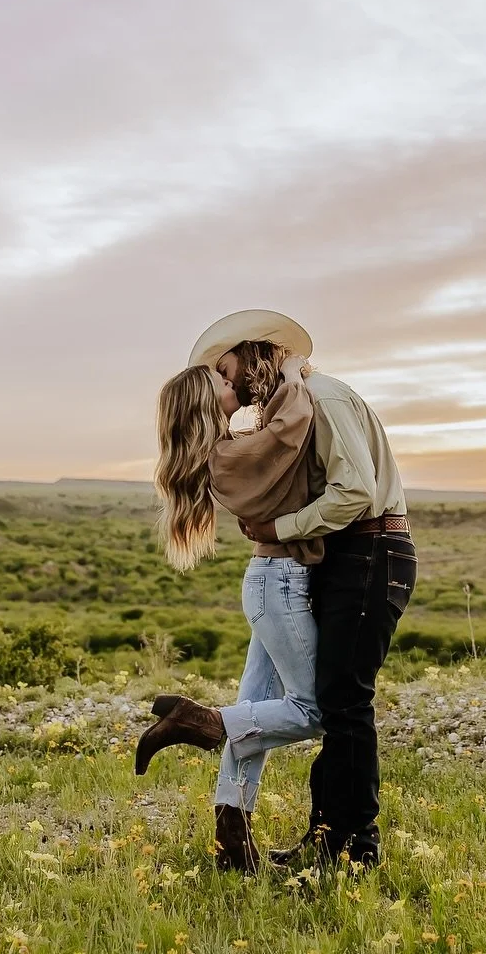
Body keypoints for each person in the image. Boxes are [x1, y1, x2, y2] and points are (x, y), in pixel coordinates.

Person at [189, 309, 417, 869]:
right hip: (343, 556)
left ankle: (354, 845)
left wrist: (277, 529)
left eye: (228, 367)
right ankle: (329, 836)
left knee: (344, 703)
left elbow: (356, 493)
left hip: (370, 552)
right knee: (337, 703)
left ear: (255, 354)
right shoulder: (296, 403)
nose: (230, 383)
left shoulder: (326, 399)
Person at [136, 343, 325, 874]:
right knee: (318, 711)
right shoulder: (230, 455)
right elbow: (293, 425)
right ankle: (195, 720)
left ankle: (232, 843)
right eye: (219, 379)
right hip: (281, 584)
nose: (230, 382)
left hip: (273, 584)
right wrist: (290, 371)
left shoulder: (226, 448)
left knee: (255, 718)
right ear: (203, 401)